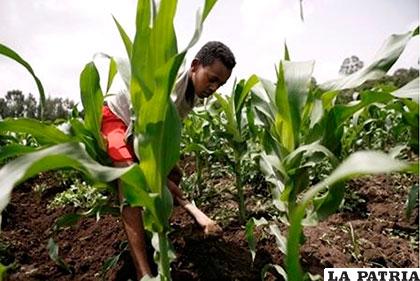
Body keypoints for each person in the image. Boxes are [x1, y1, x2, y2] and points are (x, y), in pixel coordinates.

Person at [100, 41, 236, 279]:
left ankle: (158, 226)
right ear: (195, 66)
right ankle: (144, 272)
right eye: (212, 78)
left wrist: (166, 176)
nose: (214, 88)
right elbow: (137, 139)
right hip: (116, 118)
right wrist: (157, 175)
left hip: (141, 133)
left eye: (220, 84)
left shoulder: (194, 93)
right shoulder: (172, 87)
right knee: (130, 180)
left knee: (175, 174)